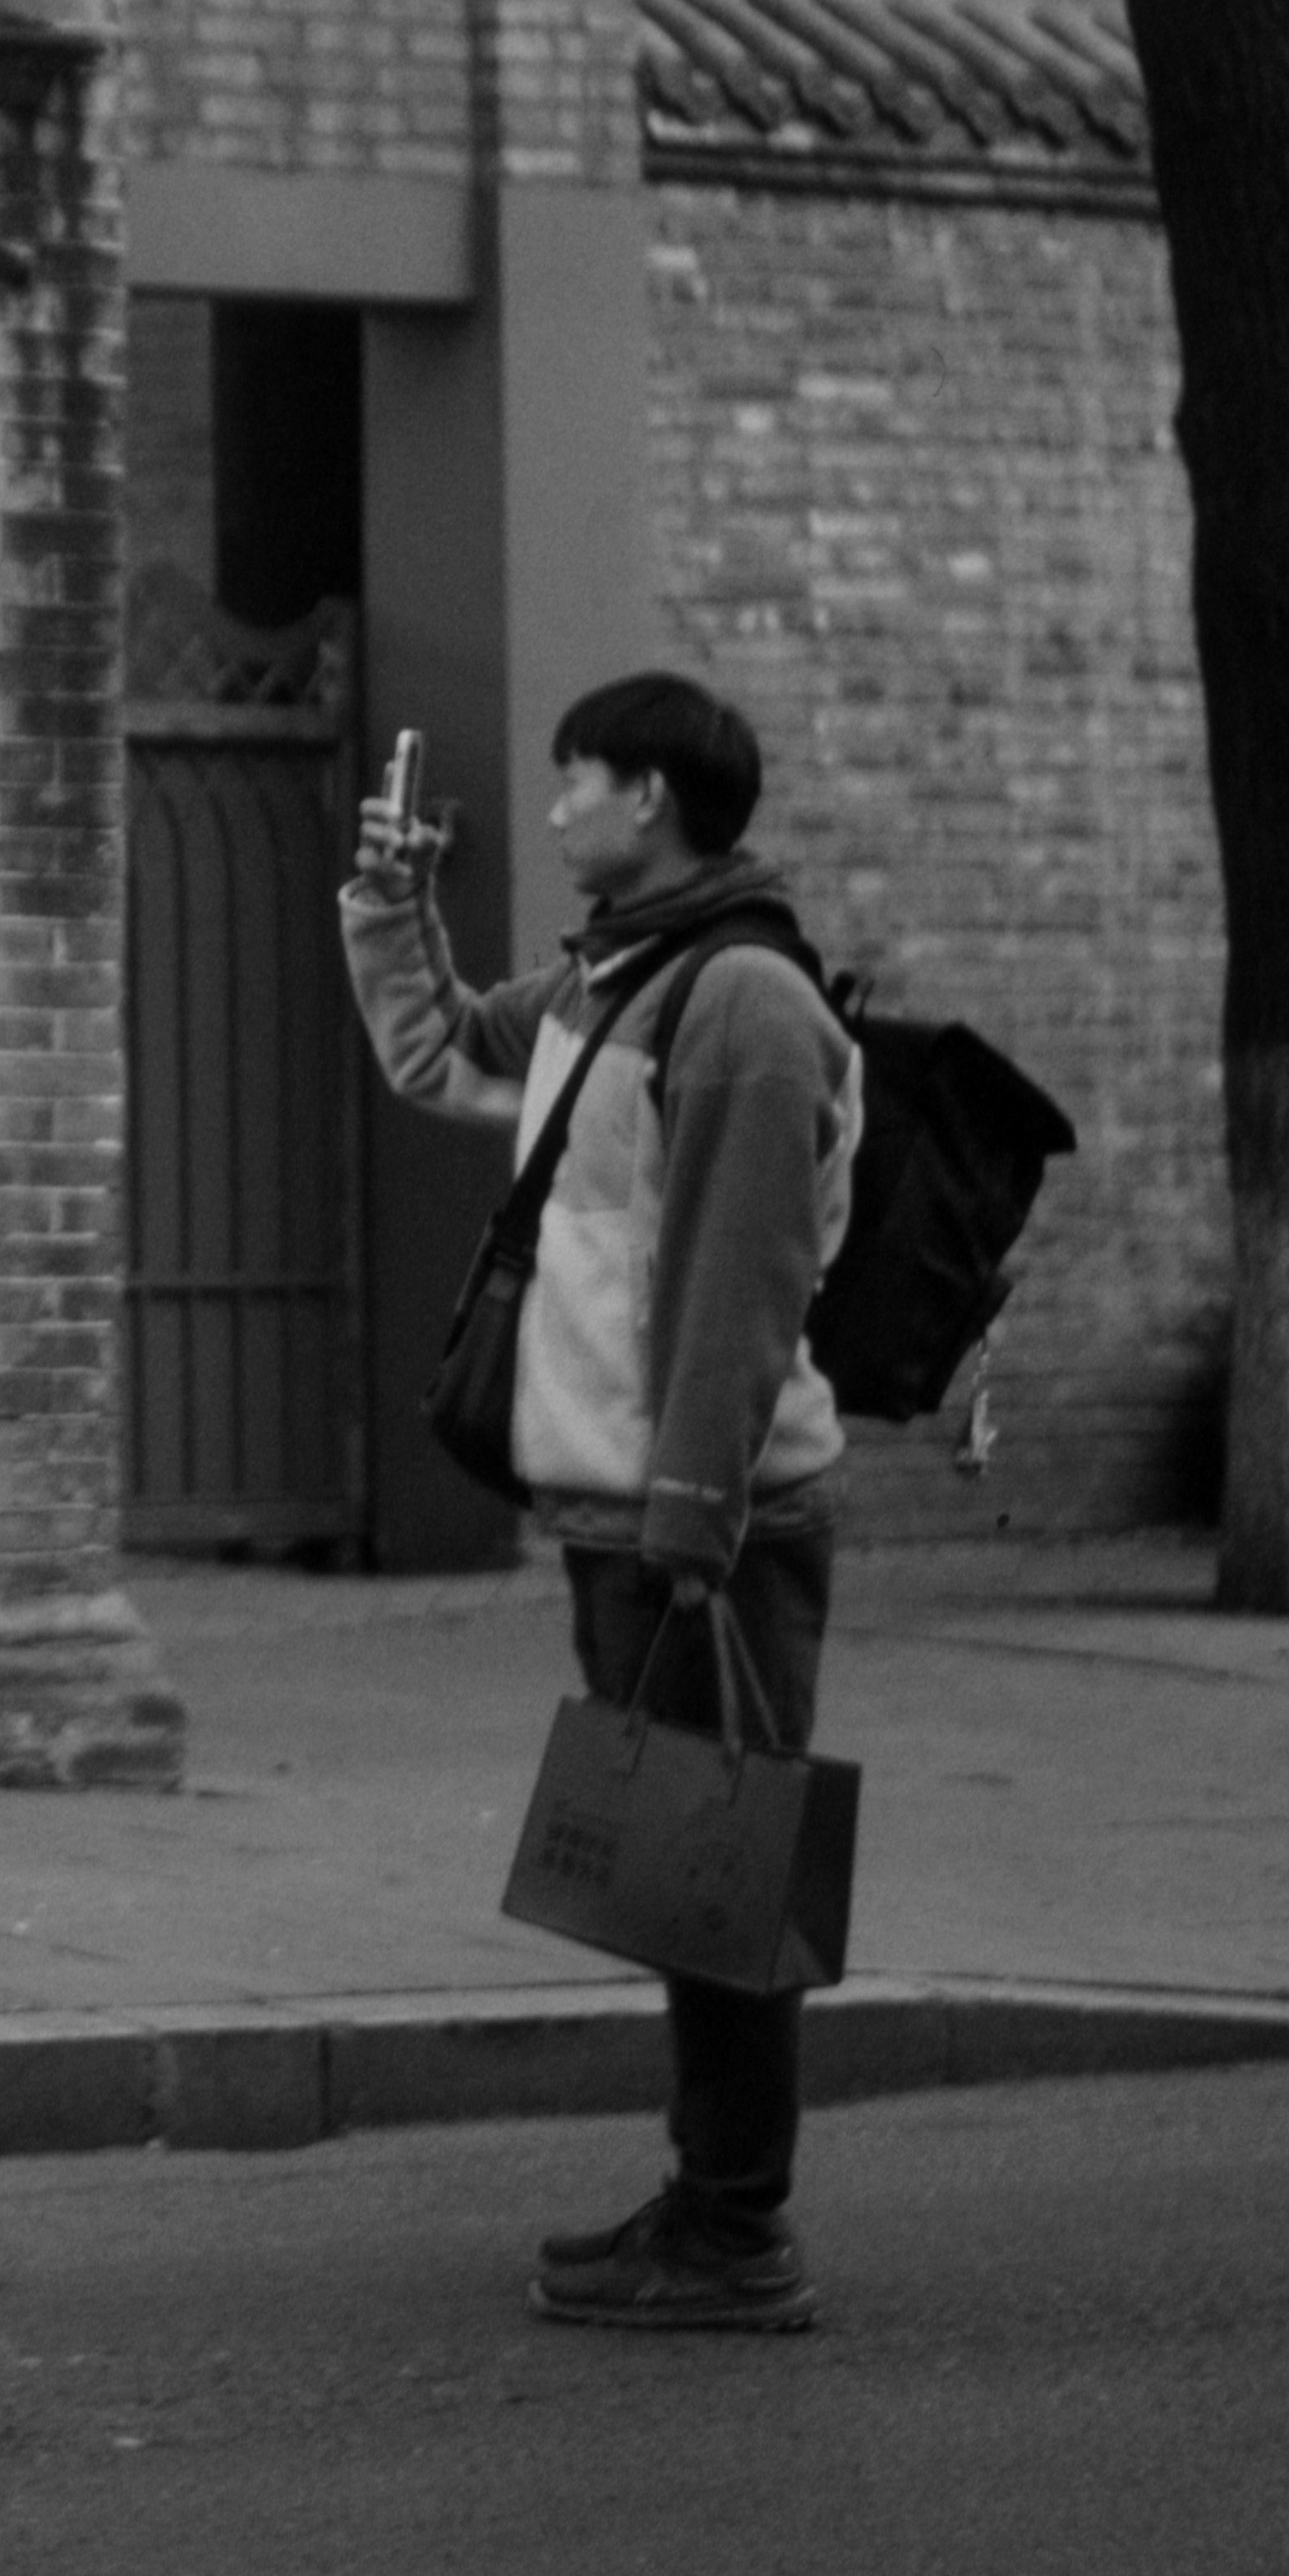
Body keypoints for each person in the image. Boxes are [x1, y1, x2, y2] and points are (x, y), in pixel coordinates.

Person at [342, 668, 861, 2332]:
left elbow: (737, 1281)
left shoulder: (746, 1004)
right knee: (678, 1871)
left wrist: (693, 1519)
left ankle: (736, 2230)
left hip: (704, 1523)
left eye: (574, 781)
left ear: (649, 795)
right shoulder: (607, 979)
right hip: (621, 1513)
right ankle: (709, 2197)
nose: (551, 807)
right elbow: (432, 1052)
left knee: (723, 1869)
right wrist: (386, 895)